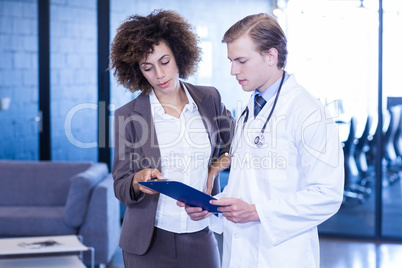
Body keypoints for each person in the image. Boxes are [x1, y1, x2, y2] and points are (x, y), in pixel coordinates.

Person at [181, 13, 344, 268]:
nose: (233, 70)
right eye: (231, 61)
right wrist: (211, 208)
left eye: (241, 61)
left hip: (283, 256)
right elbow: (247, 185)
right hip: (240, 253)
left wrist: (256, 212)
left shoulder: (309, 113)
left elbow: (327, 194)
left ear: (271, 56)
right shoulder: (251, 109)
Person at [109, 9, 234, 268]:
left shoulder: (209, 99)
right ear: (138, 70)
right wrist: (137, 180)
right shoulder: (128, 116)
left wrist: (213, 171)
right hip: (147, 242)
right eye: (148, 67)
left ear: (179, 54)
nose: (159, 74)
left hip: (200, 235)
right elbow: (120, 185)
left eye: (164, 62)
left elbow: (235, 147)